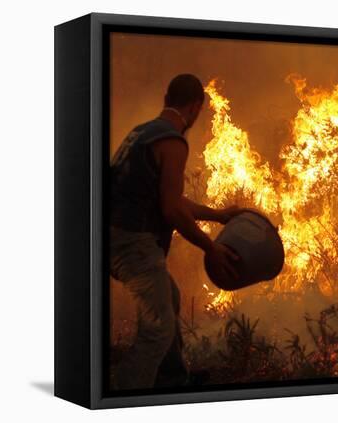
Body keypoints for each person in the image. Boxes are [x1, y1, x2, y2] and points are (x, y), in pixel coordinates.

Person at [110, 74, 242, 390]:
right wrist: (210, 247)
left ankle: (172, 379)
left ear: (166, 97)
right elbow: (170, 210)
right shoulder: (173, 141)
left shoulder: (143, 133)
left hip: (112, 235)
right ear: (196, 107)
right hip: (132, 244)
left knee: (168, 296)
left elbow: (167, 197)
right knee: (158, 329)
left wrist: (218, 216)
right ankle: (123, 396)